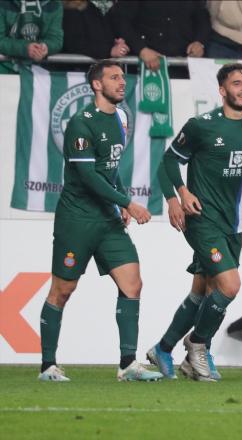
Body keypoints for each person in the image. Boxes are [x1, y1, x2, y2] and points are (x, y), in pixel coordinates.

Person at [147, 98, 242, 380]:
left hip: (233, 224)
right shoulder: (201, 126)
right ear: (222, 89)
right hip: (202, 218)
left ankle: (163, 349)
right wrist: (178, 196)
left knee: (203, 290)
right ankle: (198, 345)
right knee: (229, 285)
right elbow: (168, 161)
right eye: (237, 83)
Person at [38, 59, 162, 382]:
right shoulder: (81, 123)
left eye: (123, 77)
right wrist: (127, 203)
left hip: (107, 219)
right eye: (114, 77)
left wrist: (118, 198)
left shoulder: (120, 118)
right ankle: (48, 366)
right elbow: (88, 176)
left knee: (132, 283)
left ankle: (128, 365)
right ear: (97, 84)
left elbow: (111, 168)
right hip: (77, 218)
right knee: (62, 290)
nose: (122, 82)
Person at [111, 0, 210, 71]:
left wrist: (199, 42)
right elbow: (120, 20)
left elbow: (202, 17)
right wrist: (141, 49)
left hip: (183, 64)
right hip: (144, 64)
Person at [0, 0, 63, 73]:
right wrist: (24, 48)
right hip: (5, 66)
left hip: (40, 69)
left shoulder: (55, 4)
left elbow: (56, 40)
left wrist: (45, 47)